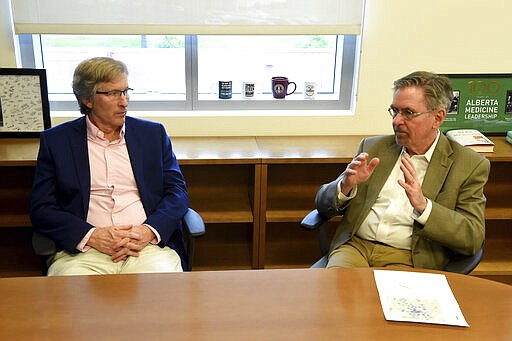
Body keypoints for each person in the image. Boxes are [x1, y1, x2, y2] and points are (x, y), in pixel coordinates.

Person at [30, 57, 190, 275]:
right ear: (88, 99)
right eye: (113, 93)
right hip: (84, 253)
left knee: (161, 299)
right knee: (71, 302)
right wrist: (92, 236)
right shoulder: (57, 141)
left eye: (126, 91)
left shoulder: (152, 135)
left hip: (147, 249)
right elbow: (42, 208)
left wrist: (148, 231)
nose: (124, 101)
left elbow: (177, 193)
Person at [315, 71, 490, 270]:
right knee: (336, 296)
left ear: (438, 117)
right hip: (355, 248)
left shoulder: (468, 165)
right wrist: (344, 187)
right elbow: (321, 204)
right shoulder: (373, 148)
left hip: (408, 257)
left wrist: (424, 206)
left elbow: (473, 237)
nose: (397, 121)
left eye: (408, 112)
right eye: (394, 111)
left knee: (389, 301)